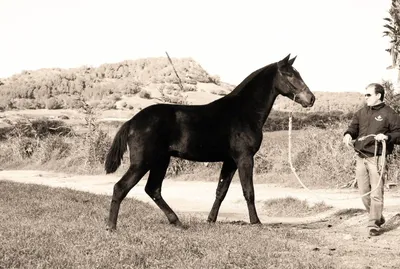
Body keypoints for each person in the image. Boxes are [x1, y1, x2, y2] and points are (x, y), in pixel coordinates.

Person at [343, 83, 400, 236]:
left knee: (376, 192)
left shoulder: (390, 113)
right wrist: (348, 134)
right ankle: (378, 217)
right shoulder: (361, 112)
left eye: (368, 95)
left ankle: (373, 224)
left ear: (378, 96)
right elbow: (353, 128)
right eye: (365, 95)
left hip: (377, 157)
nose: (365, 97)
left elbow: (398, 134)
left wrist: (387, 137)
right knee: (363, 192)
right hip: (361, 156)